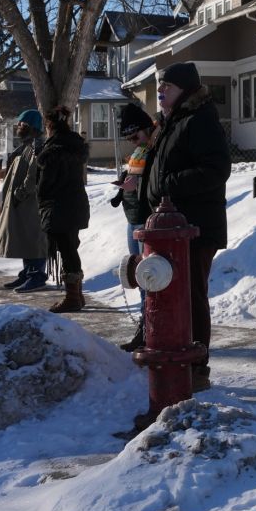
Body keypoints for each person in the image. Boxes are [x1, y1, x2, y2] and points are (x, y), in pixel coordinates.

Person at [146, 62, 230, 391]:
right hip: (170, 227)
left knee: (191, 297)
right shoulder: (173, 121)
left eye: (168, 85)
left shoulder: (200, 119)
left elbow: (215, 169)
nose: (161, 90)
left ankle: (196, 365)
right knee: (171, 294)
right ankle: (174, 354)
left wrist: (168, 184)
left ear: (185, 89)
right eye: (161, 85)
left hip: (194, 226)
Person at [37, 106, 91, 313]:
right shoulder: (75, 146)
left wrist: (41, 198)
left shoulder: (52, 152)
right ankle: (77, 294)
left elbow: (45, 185)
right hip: (76, 204)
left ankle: (72, 298)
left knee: (67, 250)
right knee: (71, 248)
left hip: (59, 206)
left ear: (50, 126)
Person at [113, 103, 157, 351]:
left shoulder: (153, 149)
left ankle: (150, 327)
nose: (132, 141)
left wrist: (134, 188)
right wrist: (123, 190)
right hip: (133, 218)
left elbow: (151, 184)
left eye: (135, 135)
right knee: (138, 274)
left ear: (146, 129)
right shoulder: (140, 151)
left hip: (145, 219)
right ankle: (146, 325)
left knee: (147, 275)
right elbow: (138, 178)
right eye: (128, 138)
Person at [0, 109, 49, 293]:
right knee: (25, 238)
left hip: (31, 203)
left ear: (32, 126)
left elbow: (33, 175)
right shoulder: (26, 145)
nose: (19, 127)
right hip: (23, 203)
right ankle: (28, 272)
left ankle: (37, 276)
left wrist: (20, 193)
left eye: (22, 124)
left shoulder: (36, 145)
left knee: (34, 239)